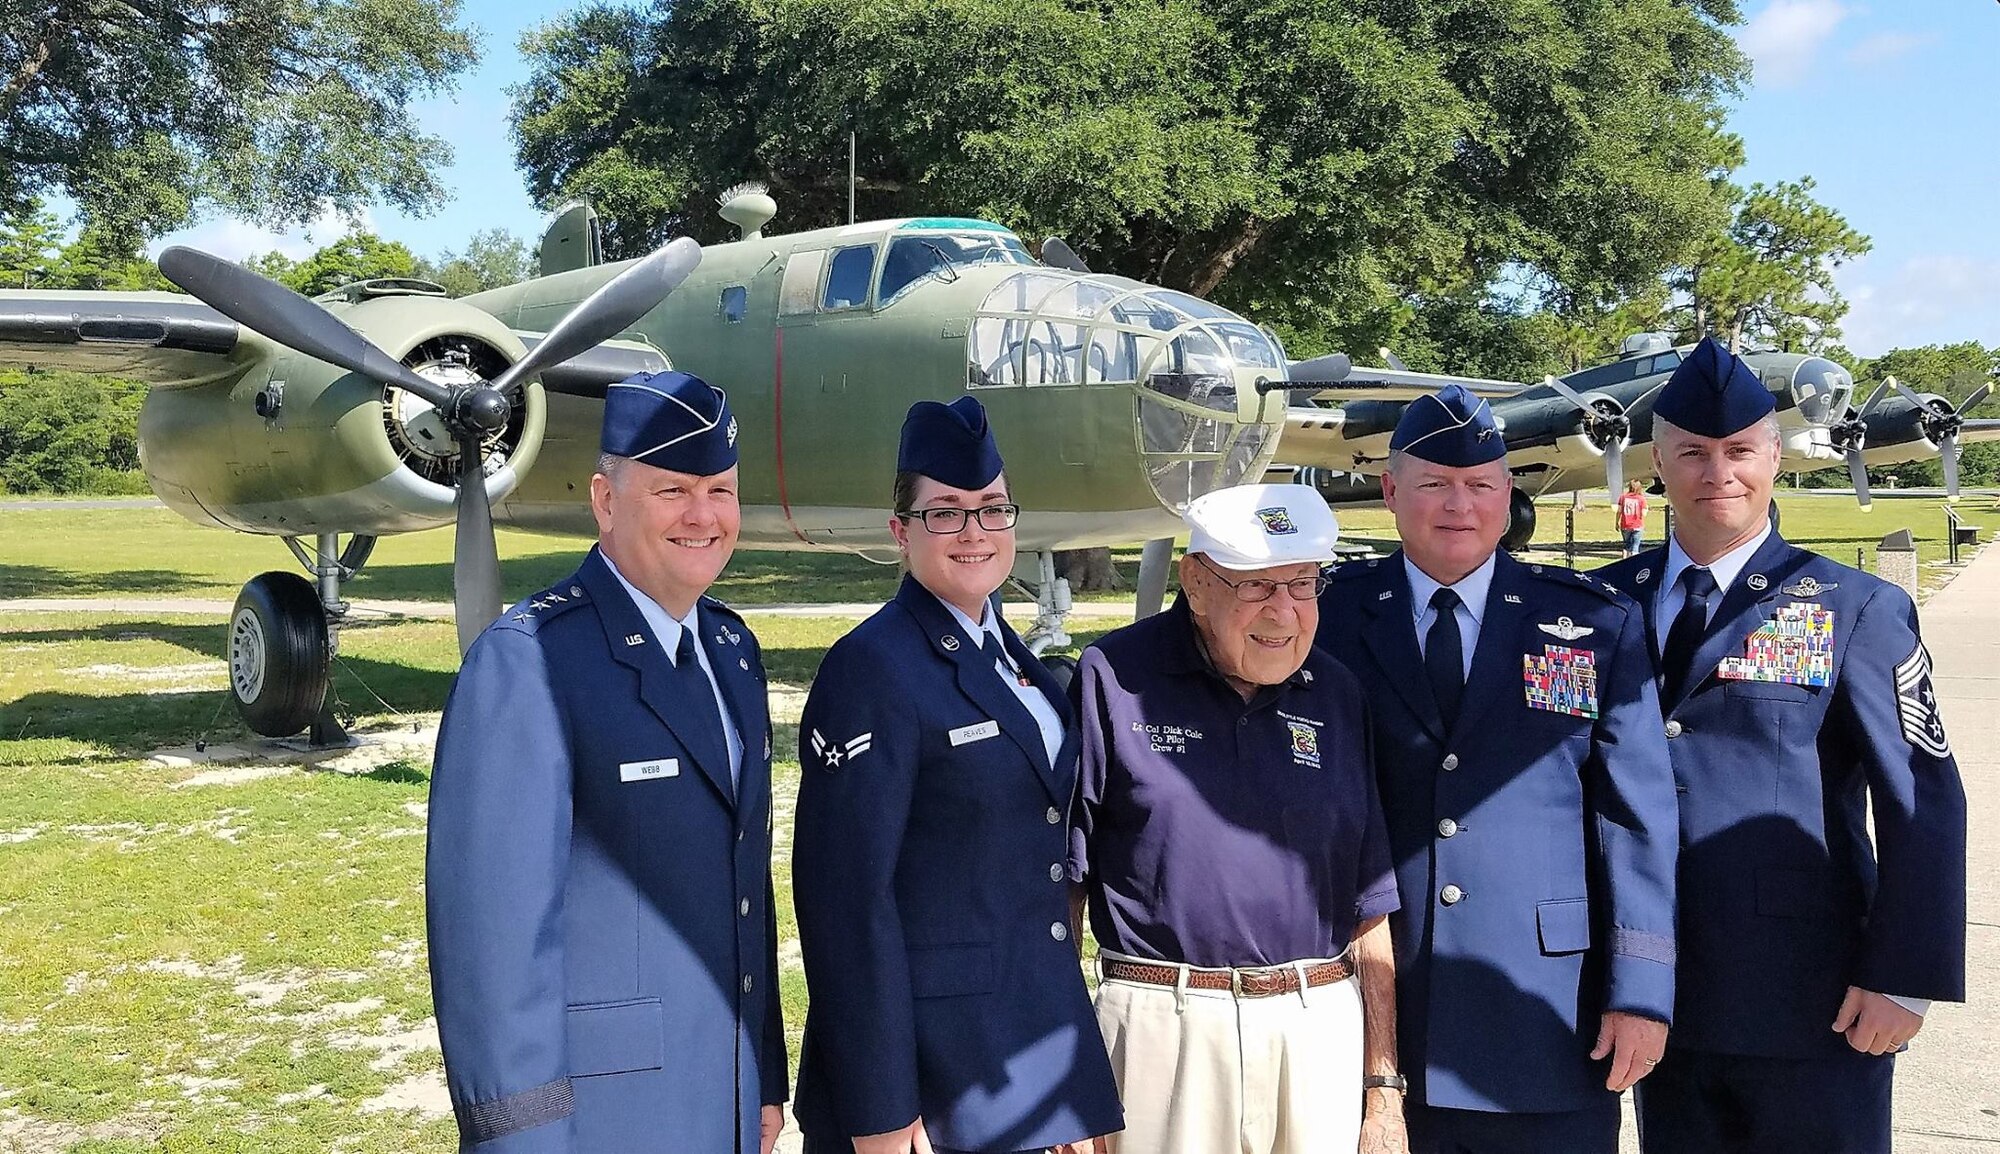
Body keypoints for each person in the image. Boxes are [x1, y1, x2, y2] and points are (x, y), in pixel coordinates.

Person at [1597, 338, 1967, 1154]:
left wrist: (1904, 974)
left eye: (1739, 452)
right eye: (1692, 452)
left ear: (1775, 457)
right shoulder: (1602, 605)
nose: (1716, 472)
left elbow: (1924, 798)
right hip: (1651, 988)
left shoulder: (1852, 607)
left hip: (1812, 996)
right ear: (1658, 459)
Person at [426, 371, 786, 1154]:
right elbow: (494, 947)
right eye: (672, 491)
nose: (703, 516)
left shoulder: (732, 650)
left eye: (720, 490)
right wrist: (518, 1141)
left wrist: (763, 1071)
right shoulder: (532, 662)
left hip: (722, 1092)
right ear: (605, 500)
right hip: (602, 1115)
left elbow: (744, 887)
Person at [1314, 384, 1680, 1154]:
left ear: (1507, 493)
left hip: (1547, 1010)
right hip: (1370, 1005)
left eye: (1480, 485)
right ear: (1389, 490)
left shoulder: (1593, 622)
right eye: (1434, 484)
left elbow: (1635, 815)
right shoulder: (1326, 616)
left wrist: (1642, 991)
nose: (1459, 505)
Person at [791, 396, 1122, 1154]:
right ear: (900, 531)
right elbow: (846, 903)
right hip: (929, 1082)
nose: (974, 531)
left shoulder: (1015, 660)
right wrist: (879, 1111)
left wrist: (1067, 1086)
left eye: (992, 508)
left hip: (1027, 1055)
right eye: (946, 511)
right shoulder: (873, 667)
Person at [1069, 482, 1404, 1154]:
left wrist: (1382, 1091)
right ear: (1196, 582)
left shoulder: (1336, 693)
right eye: (1257, 587)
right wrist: (1069, 1084)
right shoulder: (1113, 678)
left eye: (1304, 585)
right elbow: (1063, 889)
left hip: (1316, 1036)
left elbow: (1370, 906)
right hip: (1165, 1033)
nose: (1283, 612)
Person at [1617, 480, 1649, 557]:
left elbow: (1619, 511)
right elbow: (1644, 514)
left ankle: (1624, 561)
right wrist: (1647, 508)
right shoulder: (1641, 499)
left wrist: (1616, 522)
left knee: (1627, 545)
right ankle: (1634, 562)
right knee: (1635, 546)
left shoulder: (1623, 497)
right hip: (1637, 525)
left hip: (1625, 525)